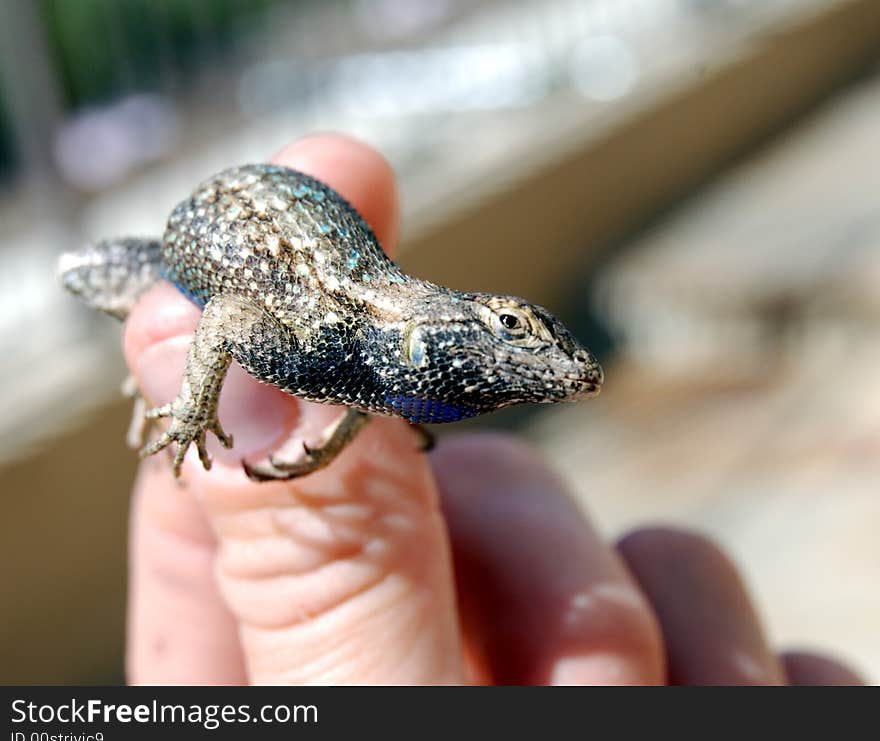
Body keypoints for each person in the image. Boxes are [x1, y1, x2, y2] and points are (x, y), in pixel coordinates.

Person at [124, 134, 862, 685]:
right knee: (96, 277)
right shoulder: (333, 328)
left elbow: (369, 394)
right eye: (507, 330)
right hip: (212, 233)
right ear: (444, 322)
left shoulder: (375, 360)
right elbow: (222, 319)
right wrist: (191, 411)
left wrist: (347, 423)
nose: (521, 356)